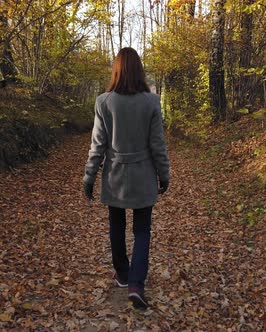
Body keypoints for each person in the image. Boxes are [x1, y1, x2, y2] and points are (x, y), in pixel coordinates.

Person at [83, 47, 170, 310]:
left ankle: (122, 274)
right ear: (139, 70)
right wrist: (164, 174)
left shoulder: (104, 102)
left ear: (117, 70)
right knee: (142, 230)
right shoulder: (151, 102)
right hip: (143, 175)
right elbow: (158, 145)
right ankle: (136, 284)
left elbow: (98, 146)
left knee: (116, 226)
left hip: (116, 177)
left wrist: (89, 177)